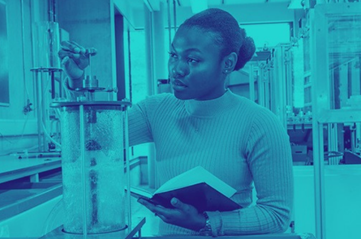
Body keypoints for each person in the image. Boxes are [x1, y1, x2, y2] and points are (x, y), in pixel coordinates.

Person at [59, 8, 293, 237]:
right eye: (174, 55)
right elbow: (90, 140)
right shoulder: (156, 110)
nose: (177, 69)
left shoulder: (260, 124)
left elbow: (277, 214)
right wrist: (76, 82)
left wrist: (205, 222)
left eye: (192, 59)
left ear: (228, 64)